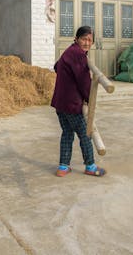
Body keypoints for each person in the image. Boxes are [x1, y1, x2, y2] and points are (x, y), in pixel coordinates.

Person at [50, 26, 106, 177]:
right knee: (86, 134)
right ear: (76, 39)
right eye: (84, 39)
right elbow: (83, 82)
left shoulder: (70, 51)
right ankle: (90, 166)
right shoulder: (78, 55)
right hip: (71, 104)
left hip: (60, 103)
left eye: (89, 40)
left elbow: (56, 66)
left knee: (67, 133)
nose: (87, 43)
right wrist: (89, 100)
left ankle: (63, 167)